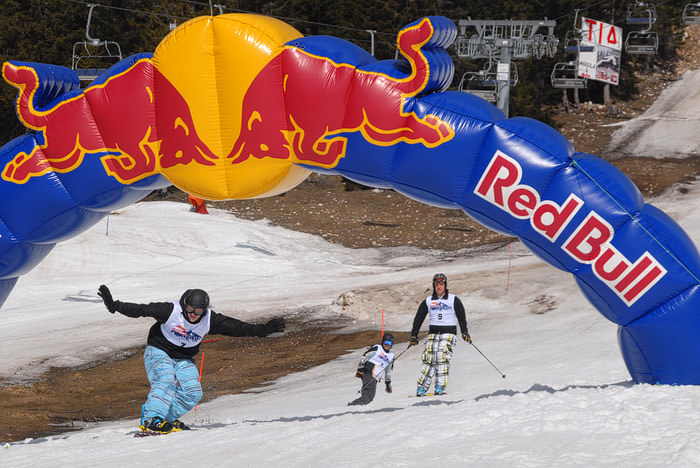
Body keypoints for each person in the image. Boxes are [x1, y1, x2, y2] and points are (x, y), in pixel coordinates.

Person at [97, 284, 285, 433]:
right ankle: (150, 419)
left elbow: (236, 327)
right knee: (165, 379)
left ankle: (166, 419)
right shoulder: (171, 311)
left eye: (198, 311)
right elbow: (141, 310)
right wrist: (115, 305)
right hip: (158, 351)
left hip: (183, 359)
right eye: (190, 309)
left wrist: (263, 330)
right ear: (184, 305)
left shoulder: (209, 320)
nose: (193, 314)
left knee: (193, 393)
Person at [409, 273, 470, 396]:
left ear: (445, 285)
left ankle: (439, 386)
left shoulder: (453, 299)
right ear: (434, 286)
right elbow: (419, 318)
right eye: (437, 284)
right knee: (429, 358)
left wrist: (464, 332)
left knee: (441, 355)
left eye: (441, 284)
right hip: (433, 333)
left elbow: (461, 317)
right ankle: (422, 388)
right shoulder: (429, 301)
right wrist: (414, 335)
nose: (439, 287)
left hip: (448, 333)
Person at [347, 333, 395, 406]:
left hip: (375, 378)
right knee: (368, 397)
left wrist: (387, 383)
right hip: (369, 373)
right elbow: (365, 355)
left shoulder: (391, 356)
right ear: (383, 342)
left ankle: (353, 406)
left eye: (389, 343)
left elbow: (388, 370)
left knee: (369, 397)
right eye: (386, 342)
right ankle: (353, 407)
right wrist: (360, 368)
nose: (387, 345)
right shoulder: (378, 348)